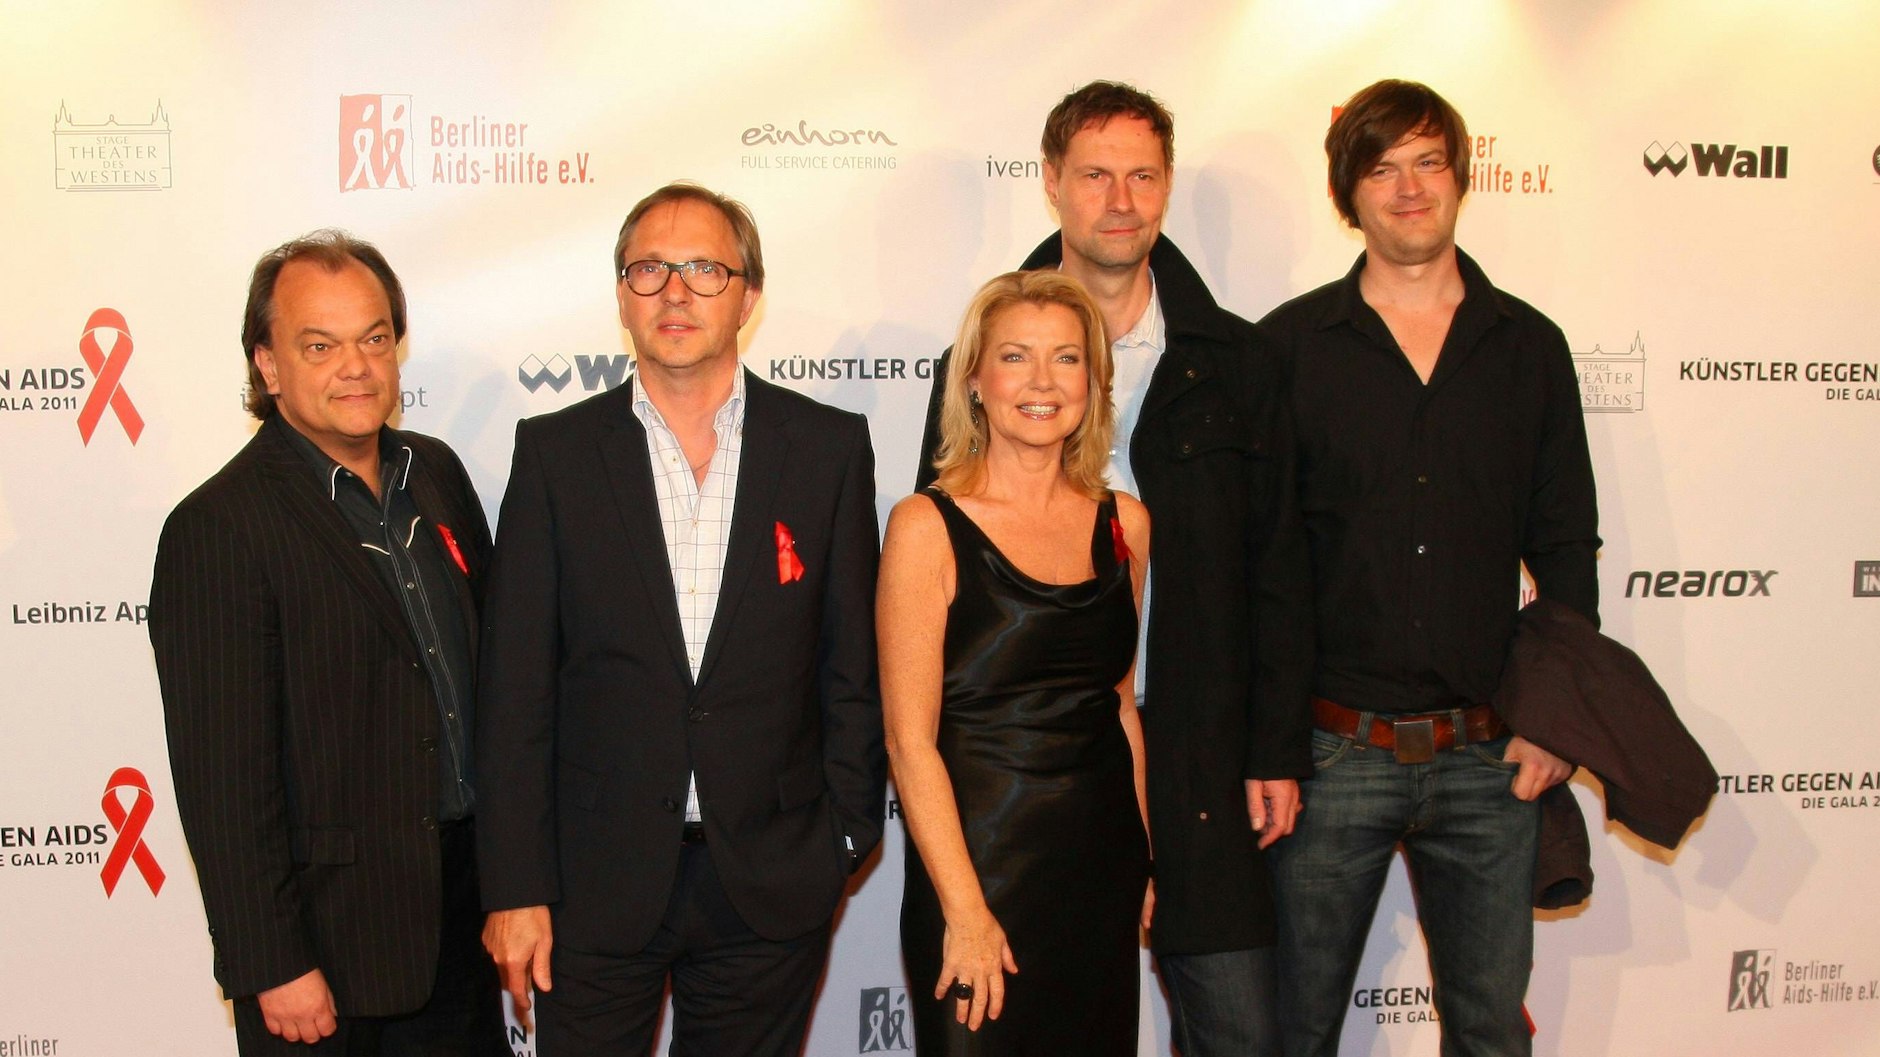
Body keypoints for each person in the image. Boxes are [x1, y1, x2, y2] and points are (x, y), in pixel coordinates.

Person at [914, 81, 1312, 1056]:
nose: (1120, 200)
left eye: (1142, 175)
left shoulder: (1239, 362)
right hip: (1024, 780)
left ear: (1167, 185)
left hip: (1203, 750)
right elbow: (951, 576)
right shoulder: (973, 359)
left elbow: (1277, 567)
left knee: (1237, 1030)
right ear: (1051, 181)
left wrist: (1274, 745)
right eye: (1096, 175)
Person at [474, 182, 886, 1057]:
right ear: (622, 294)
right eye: (649, 269)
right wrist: (515, 884)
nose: (675, 291)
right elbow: (515, 692)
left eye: (704, 268)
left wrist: (843, 835)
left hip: (770, 879)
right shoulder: (555, 454)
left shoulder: (827, 448)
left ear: (749, 292)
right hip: (591, 881)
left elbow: (851, 664)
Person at [1259, 79, 1602, 1057]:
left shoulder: (1528, 347)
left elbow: (1564, 542)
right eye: (1381, 169)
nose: (1408, 189)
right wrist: (1267, 746)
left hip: (1489, 756)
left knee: (1489, 1031)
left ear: (1460, 177)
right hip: (1328, 752)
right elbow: (1263, 563)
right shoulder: (1287, 347)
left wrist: (1554, 720)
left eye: (1427, 163)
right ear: (1347, 193)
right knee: (1293, 1031)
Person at [148, 231, 506, 1055]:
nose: (356, 366)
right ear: (268, 365)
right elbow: (222, 780)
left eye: (374, 338)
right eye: (320, 345)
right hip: (327, 947)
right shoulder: (219, 527)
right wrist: (271, 961)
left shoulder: (438, 474)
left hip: (463, 920)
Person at [884, 269, 1151, 1055]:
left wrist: (1145, 859)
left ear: (1093, 382)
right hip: (979, 873)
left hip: (1101, 870)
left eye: (1066, 358)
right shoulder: (925, 526)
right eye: (1015, 357)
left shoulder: (1126, 524)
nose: (1042, 381)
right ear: (974, 380)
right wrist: (964, 909)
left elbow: (1120, 706)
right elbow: (908, 741)